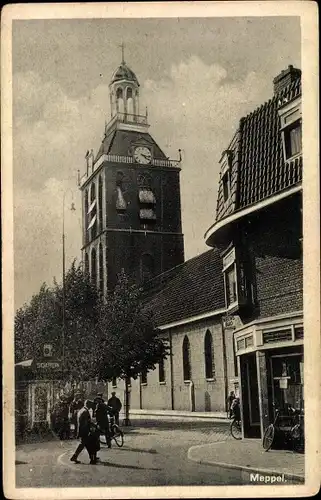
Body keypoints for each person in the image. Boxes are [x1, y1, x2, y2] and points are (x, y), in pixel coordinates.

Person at [70, 400, 96, 464]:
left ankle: (91, 458)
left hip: (81, 430)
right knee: (88, 445)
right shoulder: (85, 411)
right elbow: (88, 422)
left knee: (84, 444)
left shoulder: (81, 410)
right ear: (88, 405)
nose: (91, 407)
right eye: (90, 405)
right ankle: (91, 459)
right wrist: (94, 426)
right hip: (85, 431)